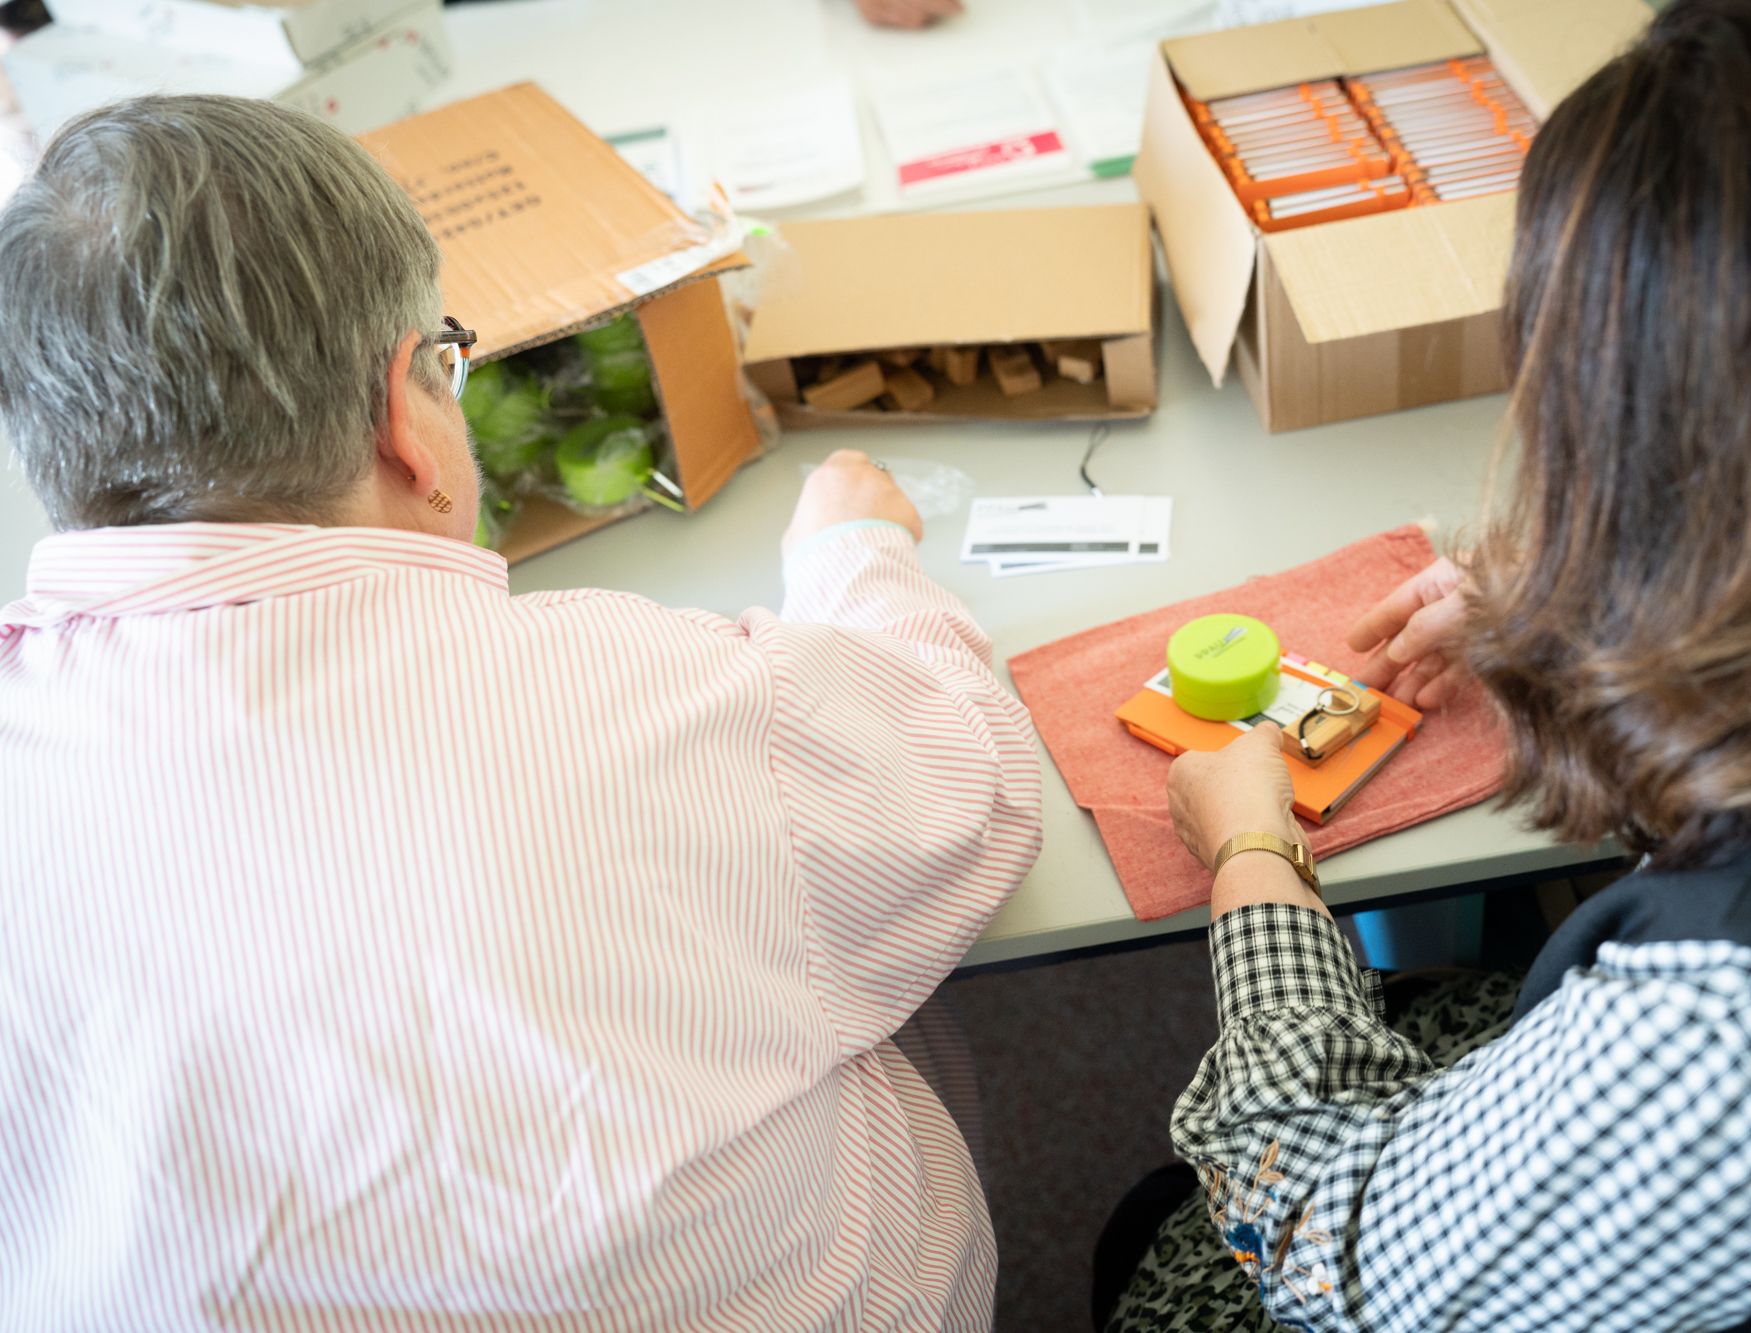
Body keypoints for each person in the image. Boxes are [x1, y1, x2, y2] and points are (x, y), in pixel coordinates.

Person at [0, 95, 1040, 1329]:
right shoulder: (662, 693)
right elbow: (970, 774)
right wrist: (855, 554)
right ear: (407, 417)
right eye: (446, 355)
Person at [1100, 0, 1751, 1328]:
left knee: (1162, 1254)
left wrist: (1255, 863)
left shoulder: (1738, 1027)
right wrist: (1610, 611)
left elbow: (1316, 1241)